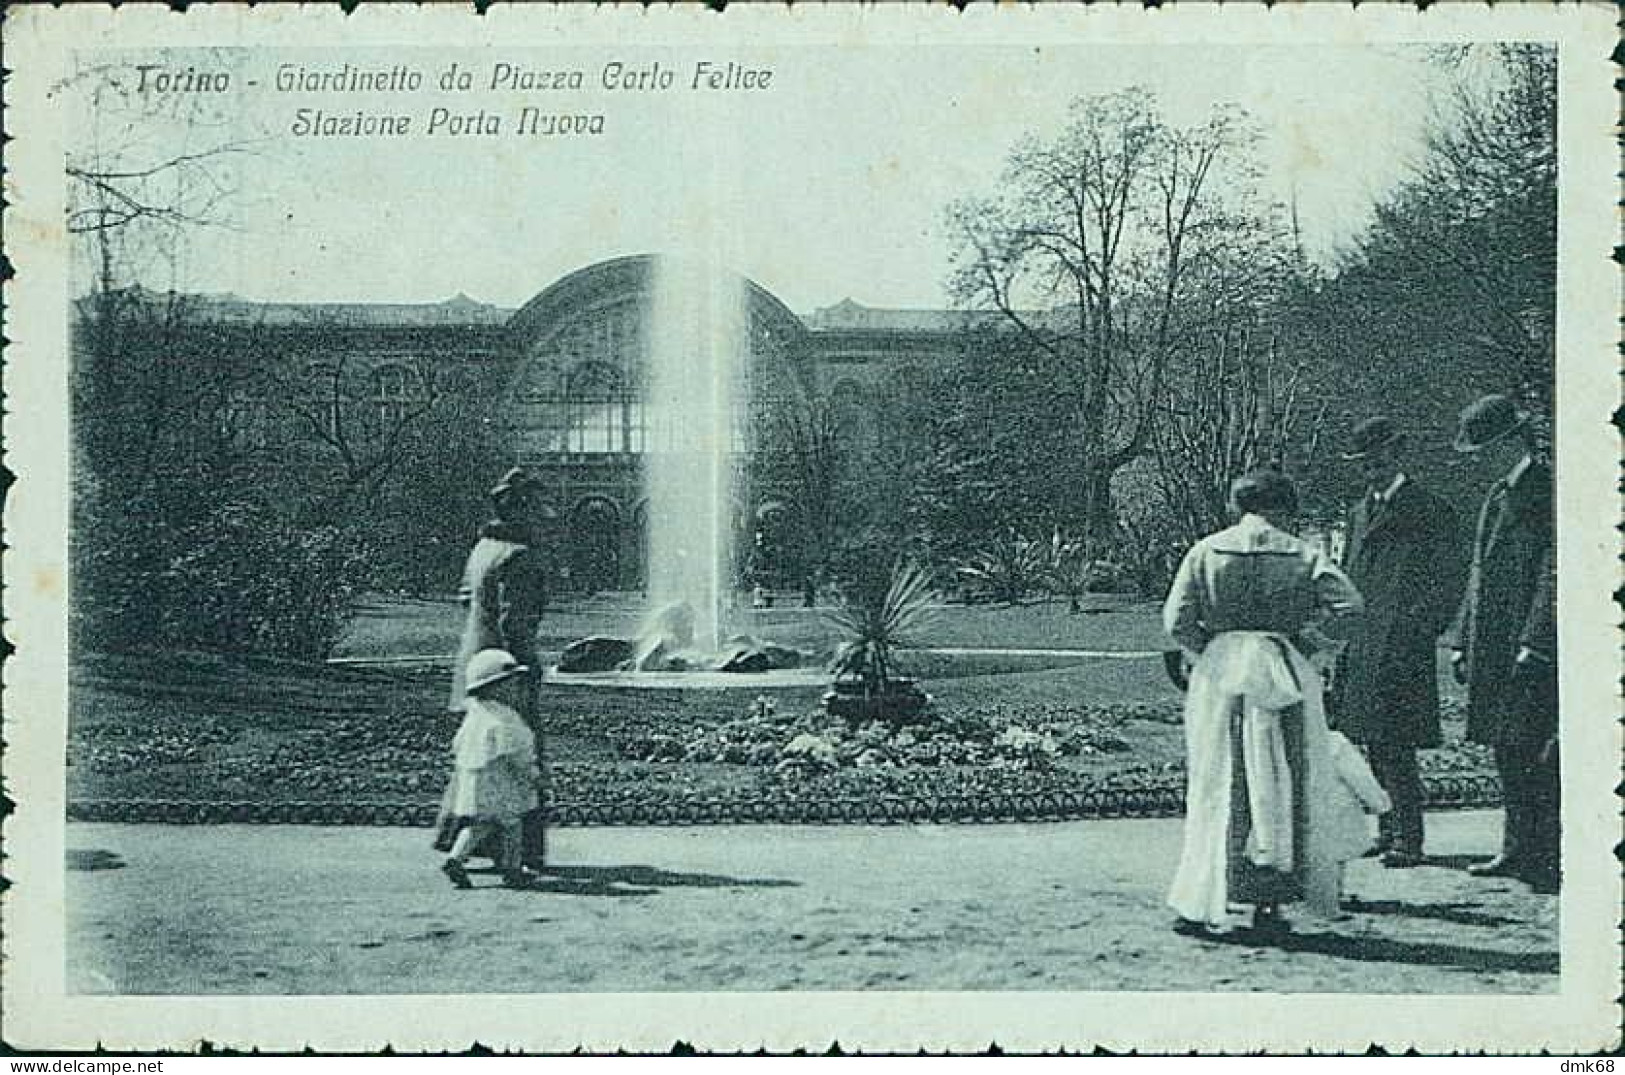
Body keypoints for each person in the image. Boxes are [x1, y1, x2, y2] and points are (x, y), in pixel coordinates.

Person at [1163, 469, 1364, 936]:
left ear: (1238, 506)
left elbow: (1176, 620)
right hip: (1283, 669)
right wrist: (1309, 645)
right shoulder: (1302, 552)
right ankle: (1269, 902)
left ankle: (1203, 896)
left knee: (1220, 779)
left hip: (1223, 673)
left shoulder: (1207, 550)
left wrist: (1210, 649)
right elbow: (1351, 607)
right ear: (1282, 507)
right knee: (1281, 778)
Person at [1330, 416, 1464, 867]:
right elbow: (1348, 576)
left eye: (1378, 459)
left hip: (1403, 644)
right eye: (1363, 463)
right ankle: (1387, 831)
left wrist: (1419, 628)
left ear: (1397, 454)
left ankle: (1409, 837)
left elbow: (1449, 581)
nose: (1371, 469)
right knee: (1370, 740)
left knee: (1397, 744)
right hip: (1365, 642)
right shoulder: (1359, 512)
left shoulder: (1429, 509)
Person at [1449, 394, 1558, 893]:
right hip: (1492, 641)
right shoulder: (1498, 494)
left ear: (1515, 438)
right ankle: (1516, 849)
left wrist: (1537, 640)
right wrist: (1462, 640)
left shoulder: (1545, 489)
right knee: (1505, 748)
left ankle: (1542, 854)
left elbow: (1552, 573)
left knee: (1533, 749)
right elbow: (1479, 574)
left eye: (1488, 446)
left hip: (1527, 645)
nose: (1482, 457)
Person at [441, 467, 552, 870]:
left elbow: (465, 599)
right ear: (521, 511)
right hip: (505, 672)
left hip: (474, 667)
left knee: (480, 762)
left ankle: (465, 843)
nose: (544, 518)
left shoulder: (482, 548)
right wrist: (524, 670)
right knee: (518, 758)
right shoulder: (519, 556)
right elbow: (514, 622)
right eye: (539, 509)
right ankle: (520, 855)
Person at [437, 649, 542, 890]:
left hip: (475, 782)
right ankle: (512, 870)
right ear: (494, 688)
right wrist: (534, 776)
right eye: (511, 685)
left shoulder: (475, 715)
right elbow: (517, 753)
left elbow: (458, 746)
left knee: (479, 825)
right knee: (513, 825)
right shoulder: (506, 718)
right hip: (502, 781)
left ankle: (455, 857)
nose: (516, 690)